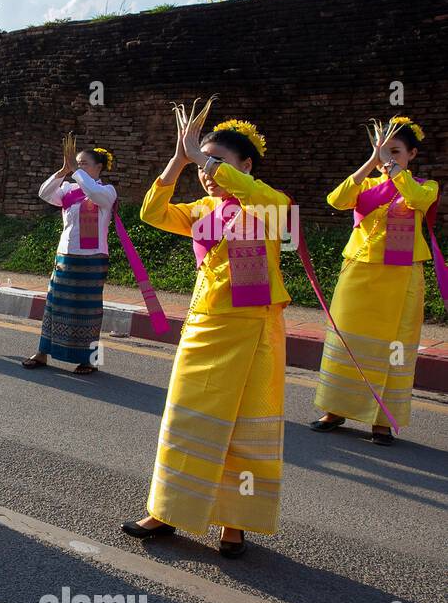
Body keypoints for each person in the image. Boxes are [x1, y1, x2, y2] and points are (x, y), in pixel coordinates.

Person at [124, 101, 288, 559]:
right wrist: (180, 159)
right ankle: (167, 509)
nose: (207, 172)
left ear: (246, 166)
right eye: (202, 164)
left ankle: (236, 522)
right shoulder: (203, 209)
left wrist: (205, 159)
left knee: (243, 424)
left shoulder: (270, 205)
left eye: (216, 162)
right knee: (186, 418)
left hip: (255, 329)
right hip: (206, 323)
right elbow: (152, 213)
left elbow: (274, 206)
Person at [311, 116, 440, 445]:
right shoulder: (365, 185)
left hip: (403, 276)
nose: (388, 158)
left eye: (395, 152)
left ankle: (383, 421)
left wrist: (395, 173)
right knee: (347, 340)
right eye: (382, 151)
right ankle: (335, 410)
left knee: (393, 347)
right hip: (360, 271)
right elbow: (336, 200)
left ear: (412, 154)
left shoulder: (425, 186)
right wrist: (371, 162)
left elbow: (418, 202)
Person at [23, 136, 118, 374]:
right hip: (66, 256)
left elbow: (94, 194)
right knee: (54, 306)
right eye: (77, 162)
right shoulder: (69, 189)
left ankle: (89, 360)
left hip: (93, 259)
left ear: (99, 167)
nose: (79, 167)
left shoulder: (106, 191)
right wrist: (64, 171)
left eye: (85, 163)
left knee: (88, 311)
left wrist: (77, 173)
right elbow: (44, 193)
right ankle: (43, 352)